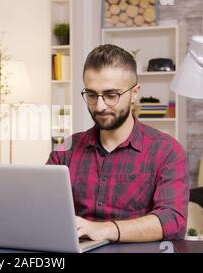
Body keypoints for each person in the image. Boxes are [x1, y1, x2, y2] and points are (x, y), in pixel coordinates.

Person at [46, 44, 189, 242]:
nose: (100, 106)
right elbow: (41, 205)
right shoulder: (67, 148)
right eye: (91, 95)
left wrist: (106, 230)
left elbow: (173, 220)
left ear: (135, 92)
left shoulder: (166, 151)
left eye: (111, 95)